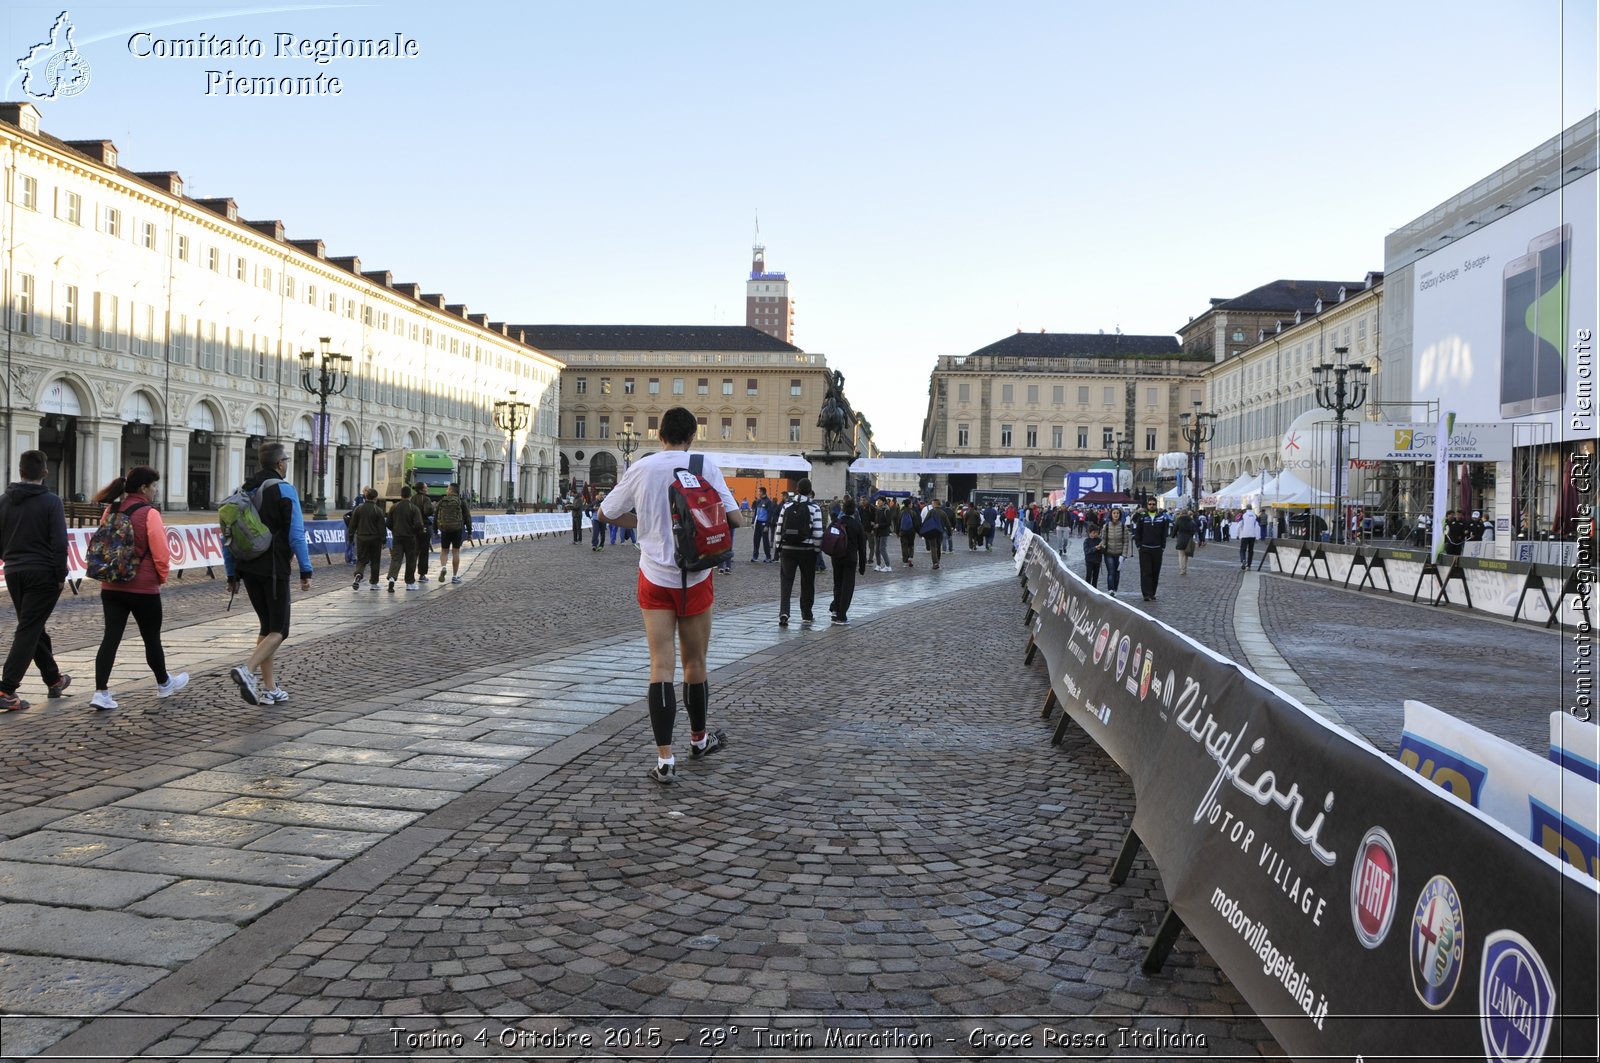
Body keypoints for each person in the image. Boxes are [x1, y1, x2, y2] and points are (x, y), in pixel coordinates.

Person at [598, 407, 742, 784]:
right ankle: (699, 739)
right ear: (692, 436)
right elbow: (735, 519)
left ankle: (665, 759)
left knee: (660, 665)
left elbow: (606, 513)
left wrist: (642, 523)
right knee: (695, 663)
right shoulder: (703, 465)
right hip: (696, 577)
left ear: (659, 435)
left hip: (654, 575)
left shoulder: (642, 468)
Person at [88, 466, 187, 709]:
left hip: (111, 586)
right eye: (154, 486)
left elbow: (105, 545)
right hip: (143, 588)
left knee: (110, 638)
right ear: (144, 488)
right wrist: (160, 578)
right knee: (151, 638)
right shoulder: (149, 513)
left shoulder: (112, 509)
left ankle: (101, 693)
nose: (155, 491)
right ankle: (164, 684)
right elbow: (161, 553)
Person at [223, 441, 313, 706]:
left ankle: (270, 689)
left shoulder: (243, 489)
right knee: (280, 630)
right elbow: (297, 533)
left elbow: (227, 534)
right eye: (286, 460)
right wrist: (305, 569)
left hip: (247, 568)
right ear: (280, 463)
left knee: (267, 627)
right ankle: (247, 670)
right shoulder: (285, 490)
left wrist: (232, 575)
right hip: (274, 569)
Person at [0, 450, 71, 711]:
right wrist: (60, 574)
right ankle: (6, 688)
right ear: (44, 471)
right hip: (42, 572)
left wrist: (10, 557)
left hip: (14, 571)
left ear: (20, 471)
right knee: (29, 629)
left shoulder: (4, 501)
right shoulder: (51, 502)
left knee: (33, 625)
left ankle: (54, 679)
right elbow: (60, 542)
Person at [775, 478, 824, 626]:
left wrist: (778, 547)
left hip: (787, 549)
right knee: (807, 582)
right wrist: (816, 550)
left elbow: (779, 527)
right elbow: (817, 532)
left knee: (786, 581)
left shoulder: (787, 505)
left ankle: (784, 612)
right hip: (806, 550)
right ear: (810, 491)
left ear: (796, 489)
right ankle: (806, 614)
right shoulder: (814, 507)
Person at [828, 497, 868, 624]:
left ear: (843, 509)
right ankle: (841, 615)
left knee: (838, 584)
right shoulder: (857, 525)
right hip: (850, 559)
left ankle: (835, 610)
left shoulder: (836, 522)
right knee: (847, 587)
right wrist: (862, 566)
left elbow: (828, 537)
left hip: (837, 557)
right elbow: (862, 547)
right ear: (854, 511)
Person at [1128, 498, 1171, 602]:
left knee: (1155, 572)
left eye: (1153, 504)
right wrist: (1139, 546)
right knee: (1146, 572)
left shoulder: (1161, 518)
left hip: (1157, 549)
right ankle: (1146, 594)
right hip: (1145, 549)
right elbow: (1137, 532)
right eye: (1150, 504)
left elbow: (1164, 533)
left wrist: (1163, 546)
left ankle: (1152, 593)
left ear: (1156, 505)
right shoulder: (1142, 518)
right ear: (1147, 505)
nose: (1151, 506)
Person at [385, 485, 424, 591]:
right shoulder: (414, 508)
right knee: (411, 560)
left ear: (401, 495)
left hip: (397, 536)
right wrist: (415, 532)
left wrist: (394, 529)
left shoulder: (394, 507)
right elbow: (419, 524)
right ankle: (410, 582)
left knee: (396, 558)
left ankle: (392, 578)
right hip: (410, 538)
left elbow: (388, 522)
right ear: (410, 495)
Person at [349, 487, 388, 590]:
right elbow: (382, 527)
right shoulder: (378, 510)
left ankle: (358, 575)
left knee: (361, 560)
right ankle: (374, 583)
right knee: (375, 561)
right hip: (375, 539)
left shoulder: (358, 509)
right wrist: (384, 540)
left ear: (365, 496)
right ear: (375, 498)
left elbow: (352, 525)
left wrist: (351, 536)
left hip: (361, 537)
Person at [434, 482, 472, 584]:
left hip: (445, 529)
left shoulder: (442, 501)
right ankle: (455, 576)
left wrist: (435, 531)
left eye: (448, 489)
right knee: (455, 552)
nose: (447, 490)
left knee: (444, 551)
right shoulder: (461, 501)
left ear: (451, 490)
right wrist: (469, 532)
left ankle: (443, 567)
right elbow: (467, 517)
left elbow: (436, 515)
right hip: (457, 529)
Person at [1100, 507, 1128, 595]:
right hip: (1109, 553)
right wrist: (1102, 545)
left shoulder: (1123, 527)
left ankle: (1115, 589)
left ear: (1120, 515)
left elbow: (1126, 542)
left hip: (1119, 554)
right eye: (1114, 513)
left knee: (1117, 572)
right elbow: (1104, 539)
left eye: (1117, 513)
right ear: (1111, 515)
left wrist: (1124, 554)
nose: (1116, 515)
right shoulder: (1106, 526)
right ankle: (1110, 590)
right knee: (1111, 571)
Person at [411, 485, 435, 582]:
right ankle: (422, 574)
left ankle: (410, 574)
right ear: (421, 489)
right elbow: (428, 511)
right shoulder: (425, 499)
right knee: (424, 552)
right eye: (425, 487)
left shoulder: (412, 498)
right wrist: (432, 507)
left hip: (413, 527)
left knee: (414, 552)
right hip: (424, 526)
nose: (427, 489)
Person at [749, 486, 776, 563]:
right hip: (758, 523)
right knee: (756, 540)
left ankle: (768, 556)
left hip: (764, 524)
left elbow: (770, 514)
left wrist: (767, 525)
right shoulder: (759, 501)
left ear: (763, 492)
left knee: (765, 541)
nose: (758, 493)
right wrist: (752, 522)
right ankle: (755, 556)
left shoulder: (768, 502)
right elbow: (756, 512)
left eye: (759, 492)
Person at [920, 498, 947, 570]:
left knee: (933, 547)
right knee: (938, 546)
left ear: (935, 504)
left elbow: (925, 521)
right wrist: (949, 533)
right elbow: (947, 523)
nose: (931, 505)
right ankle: (938, 560)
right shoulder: (943, 513)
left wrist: (922, 531)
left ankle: (935, 563)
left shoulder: (931, 512)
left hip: (932, 531)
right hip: (940, 532)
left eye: (932, 503)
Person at [1173, 508, 1197, 576]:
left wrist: (1173, 535)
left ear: (1181, 513)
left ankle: (1182, 569)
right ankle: (1185, 569)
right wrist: (1191, 535)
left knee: (1181, 555)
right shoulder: (1191, 520)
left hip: (1180, 538)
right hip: (1188, 539)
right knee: (1186, 555)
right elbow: (1194, 529)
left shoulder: (1179, 520)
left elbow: (1175, 529)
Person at [1237, 505, 1262, 571]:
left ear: (1246, 509)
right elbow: (1257, 527)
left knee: (1242, 549)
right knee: (1251, 550)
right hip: (1252, 536)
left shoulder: (1244, 515)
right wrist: (1257, 537)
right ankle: (1249, 565)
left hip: (1244, 535)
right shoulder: (1254, 516)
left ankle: (1243, 560)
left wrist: (1238, 535)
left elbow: (1239, 525)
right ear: (1251, 509)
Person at [1082, 521, 1103, 588]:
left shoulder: (1099, 540)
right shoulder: (1087, 541)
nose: (1095, 534)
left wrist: (1102, 548)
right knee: (1089, 575)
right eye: (1094, 533)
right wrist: (1095, 548)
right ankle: (1087, 588)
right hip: (1089, 561)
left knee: (1095, 576)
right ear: (1090, 533)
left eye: (1097, 533)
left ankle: (1094, 588)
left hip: (1097, 561)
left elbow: (1102, 551)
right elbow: (1087, 551)